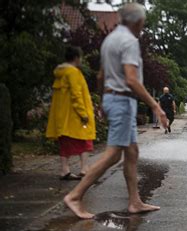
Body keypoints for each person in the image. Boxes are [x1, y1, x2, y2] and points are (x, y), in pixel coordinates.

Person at [63, 3, 168, 219]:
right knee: (112, 155)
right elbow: (131, 79)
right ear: (137, 21)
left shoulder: (109, 40)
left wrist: (103, 102)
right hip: (122, 101)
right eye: (143, 22)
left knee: (132, 152)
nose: (143, 26)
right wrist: (155, 105)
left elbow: (101, 76)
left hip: (113, 98)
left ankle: (134, 202)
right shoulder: (129, 41)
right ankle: (75, 196)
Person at [46, 46, 96, 180]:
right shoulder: (73, 73)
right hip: (74, 116)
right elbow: (76, 95)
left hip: (63, 117)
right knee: (85, 140)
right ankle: (84, 168)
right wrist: (83, 113)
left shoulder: (60, 73)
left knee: (65, 142)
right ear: (76, 58)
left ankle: (64, 169)